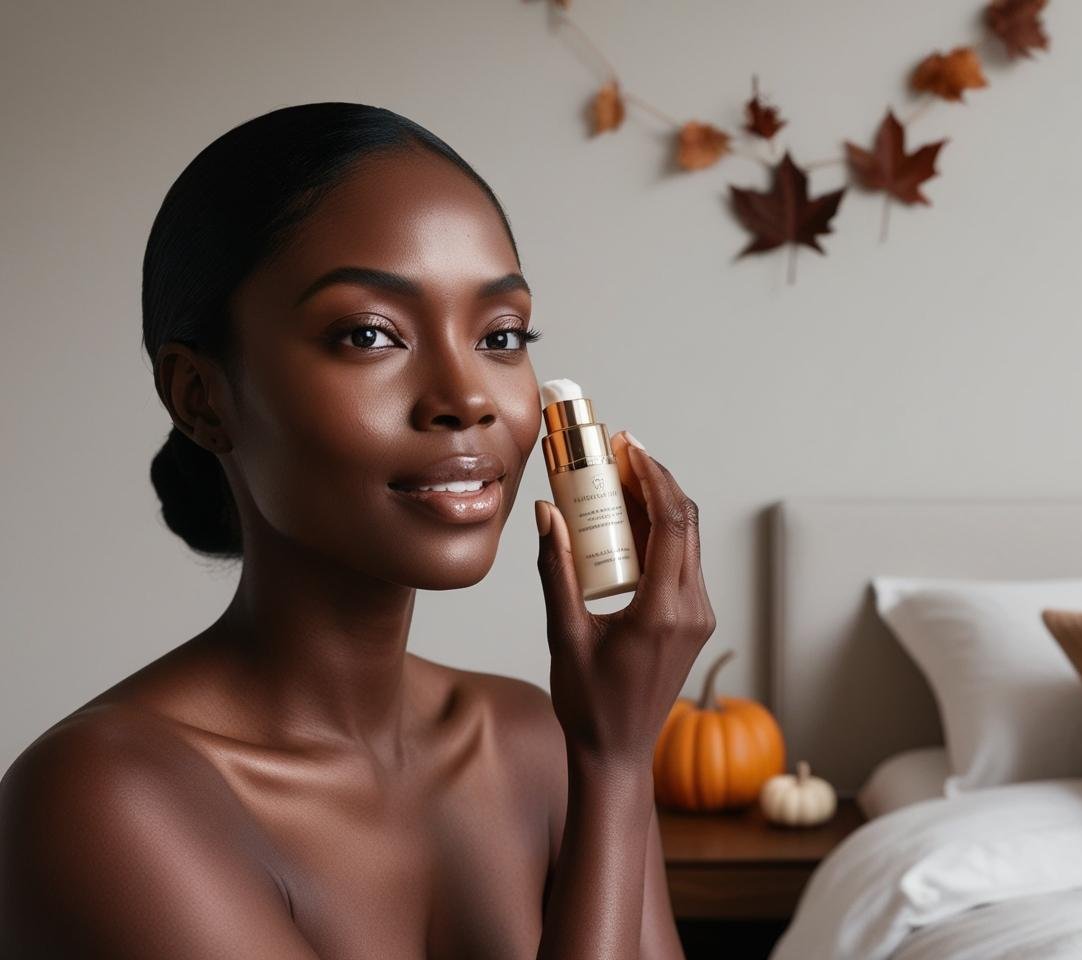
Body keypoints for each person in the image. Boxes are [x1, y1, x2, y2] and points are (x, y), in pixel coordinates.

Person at [0, 102, 715, 959]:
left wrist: (613, 765)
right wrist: (615, 765)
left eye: (502, 335)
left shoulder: (534, 740)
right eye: (369, 334)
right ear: (200, 395)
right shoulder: (103, 801)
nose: (468, 397)